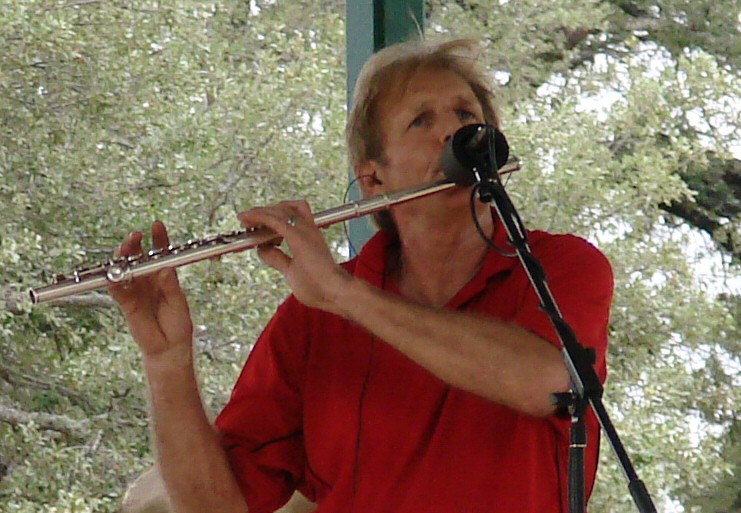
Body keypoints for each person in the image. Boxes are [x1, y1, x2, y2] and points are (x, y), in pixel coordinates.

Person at [112, 38, 614, 513]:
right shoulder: (312, 320)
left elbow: (547, 382)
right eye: (421, 120)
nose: (453, 133)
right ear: (374, 179)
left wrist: (343, 293)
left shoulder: (562, 266)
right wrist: (166, 360)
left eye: (467, 115)